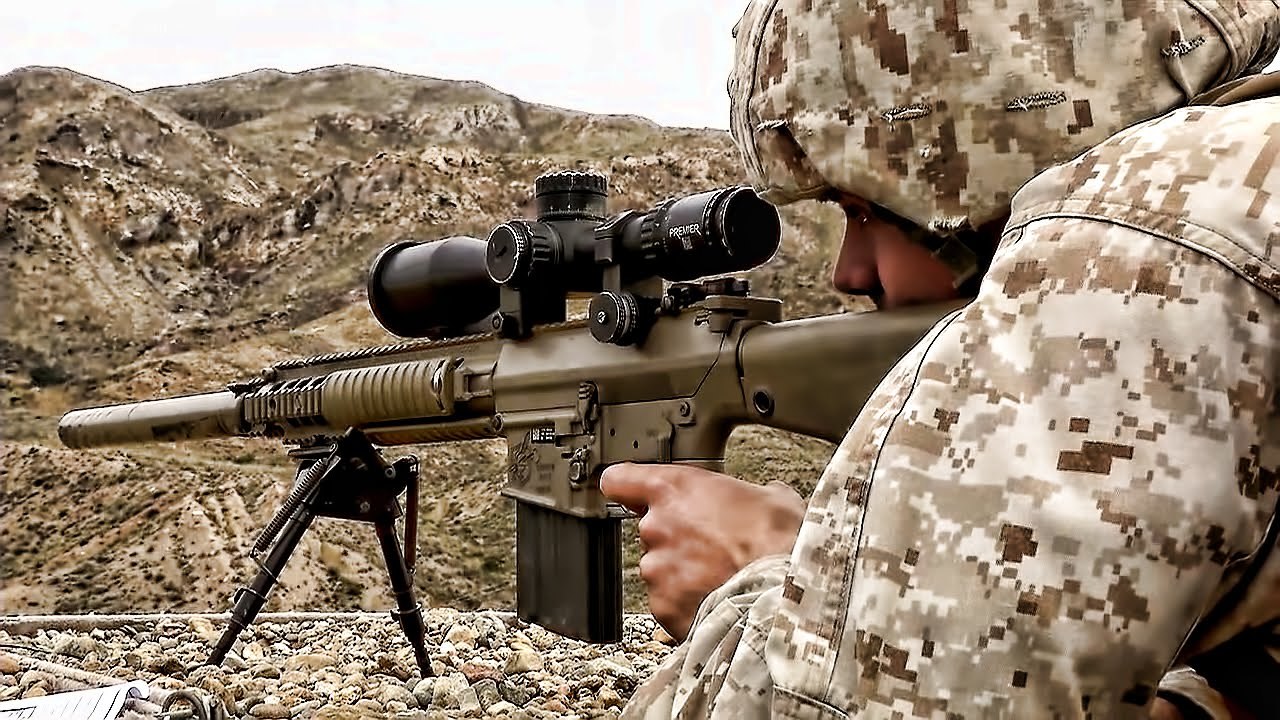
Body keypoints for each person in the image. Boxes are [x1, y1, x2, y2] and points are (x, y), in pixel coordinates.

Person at [601, 1, 1280, 718]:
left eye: (860, 211)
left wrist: (766, 585)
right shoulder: (1239, 186)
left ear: (969, 163)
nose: (848, 272)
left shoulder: (1130, 247)